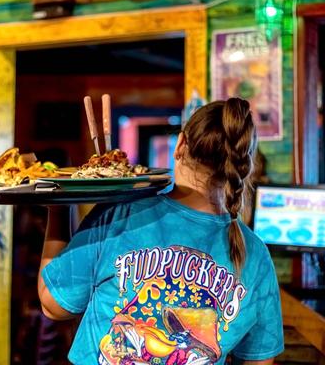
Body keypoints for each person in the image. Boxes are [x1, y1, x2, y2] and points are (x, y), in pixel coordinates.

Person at [38, 97, 284, 365]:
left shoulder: (120, 213)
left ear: (180, 145)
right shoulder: (256, 255)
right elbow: (261, 360)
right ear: (243, 166)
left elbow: (53, 305)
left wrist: (58, 208)